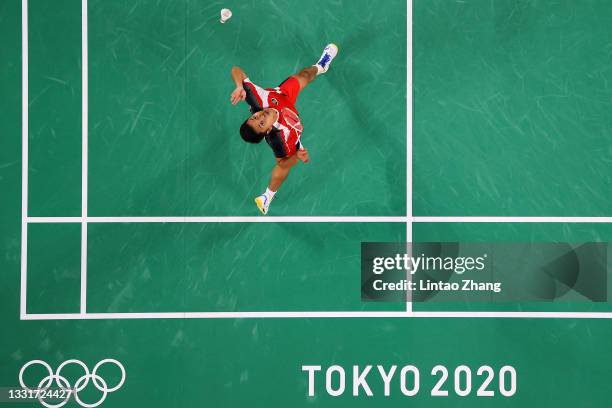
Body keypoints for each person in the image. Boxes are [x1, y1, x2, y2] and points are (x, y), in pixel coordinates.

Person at [229, 44, 339, 214]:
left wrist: (239, 86)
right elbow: (282, 164)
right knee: (283, 167)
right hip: (292, 130)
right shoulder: (279, 138)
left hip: (282, 96)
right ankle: (268, 196)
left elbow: (236, 70)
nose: (260, 117)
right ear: (266, 131)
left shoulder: (257, 100)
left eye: (254, 117)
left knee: (306, 74)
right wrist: (295, 156)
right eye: (260, 124)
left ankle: (321, 66)